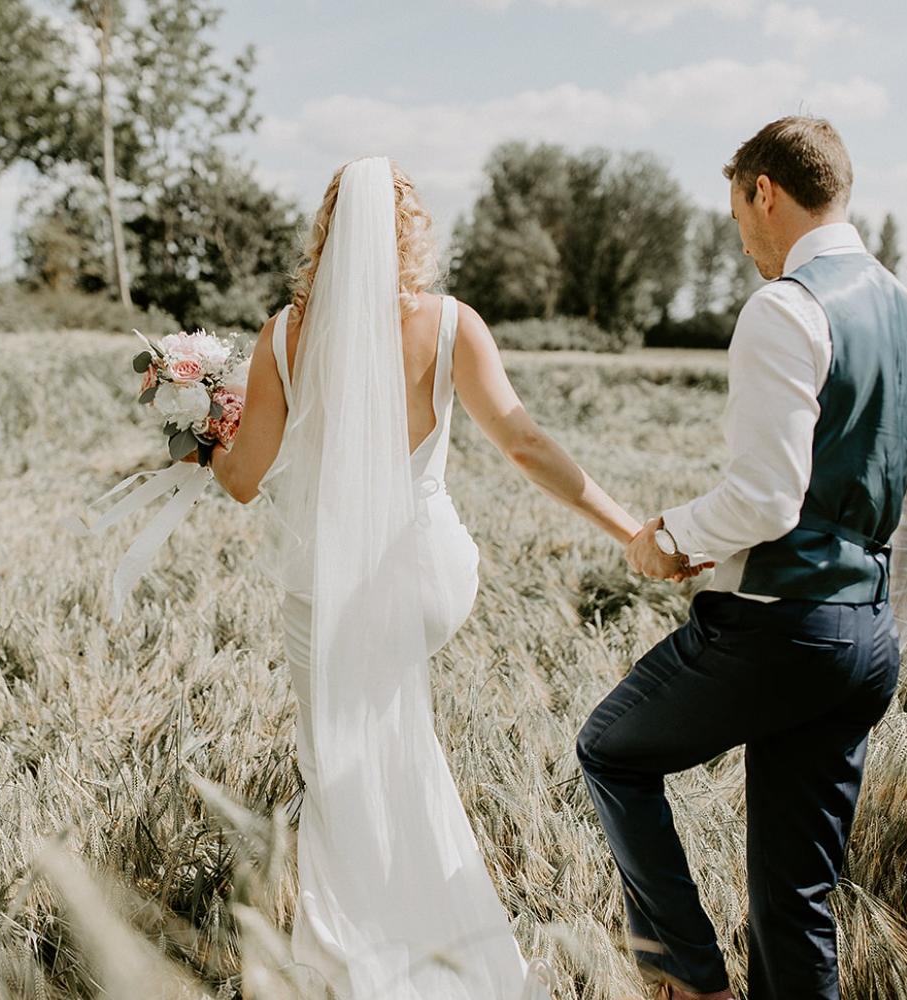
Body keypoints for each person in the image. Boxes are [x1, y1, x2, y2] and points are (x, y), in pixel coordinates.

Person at [207, 156, 693, 1000]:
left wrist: (202, 434)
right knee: (398, 747)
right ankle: (425, 935)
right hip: (425, 579)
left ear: (326, 235)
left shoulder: (283, 335)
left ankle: (350, 956)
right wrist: (629, 528)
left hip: (328, 590)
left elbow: (246, 477)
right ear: (410, 236)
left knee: (342, 765)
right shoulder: (450, 324)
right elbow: (525, 441)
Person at [578, 116, 907, 1000]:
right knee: (797, 906)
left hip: (774, 632)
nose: (742, 239)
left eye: (738, 212)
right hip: (863, 641)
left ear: (764, 190)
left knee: (611, 752)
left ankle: (689, 978)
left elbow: (765, 499)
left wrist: (666, 538)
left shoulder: (786, 307)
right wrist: (876, 635)